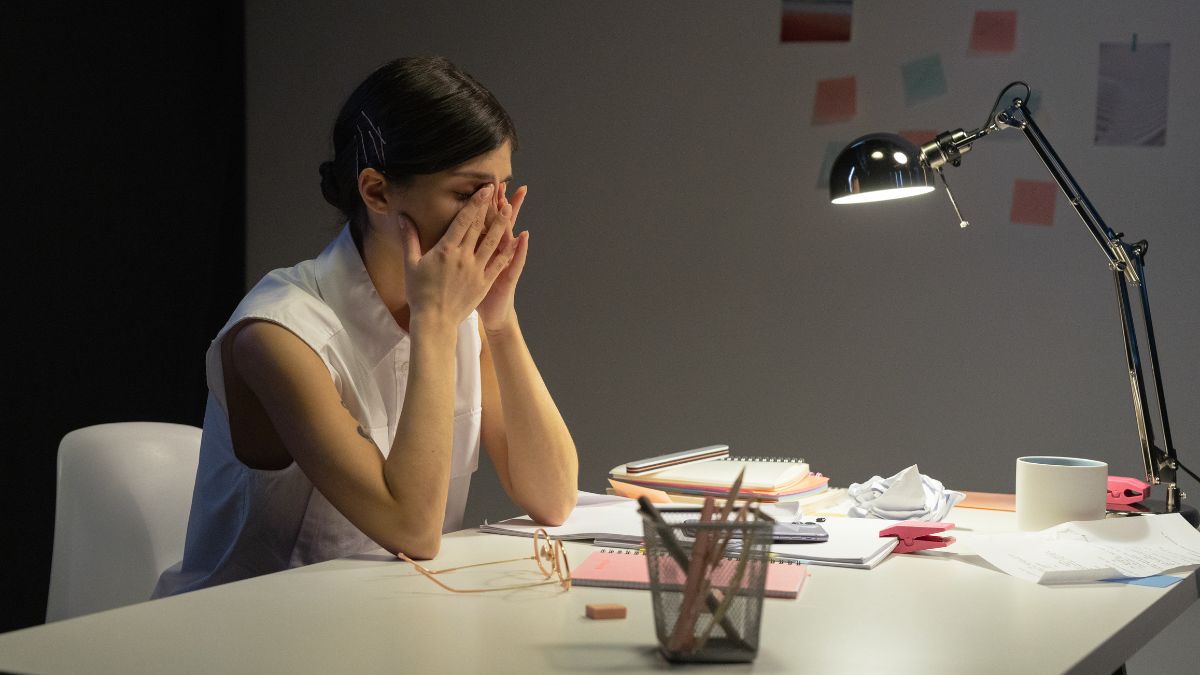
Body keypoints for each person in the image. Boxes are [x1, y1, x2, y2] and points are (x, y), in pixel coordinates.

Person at [153, 56, 579, 597]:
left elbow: (554, 496)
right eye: (468, 193)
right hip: (249, 639)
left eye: (502, 191)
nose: (493, 217)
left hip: (385, 622)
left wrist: (500, 320)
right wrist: (435, 323)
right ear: (376, 192)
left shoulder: (459, 316)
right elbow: (413, 531)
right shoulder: (277, 333)